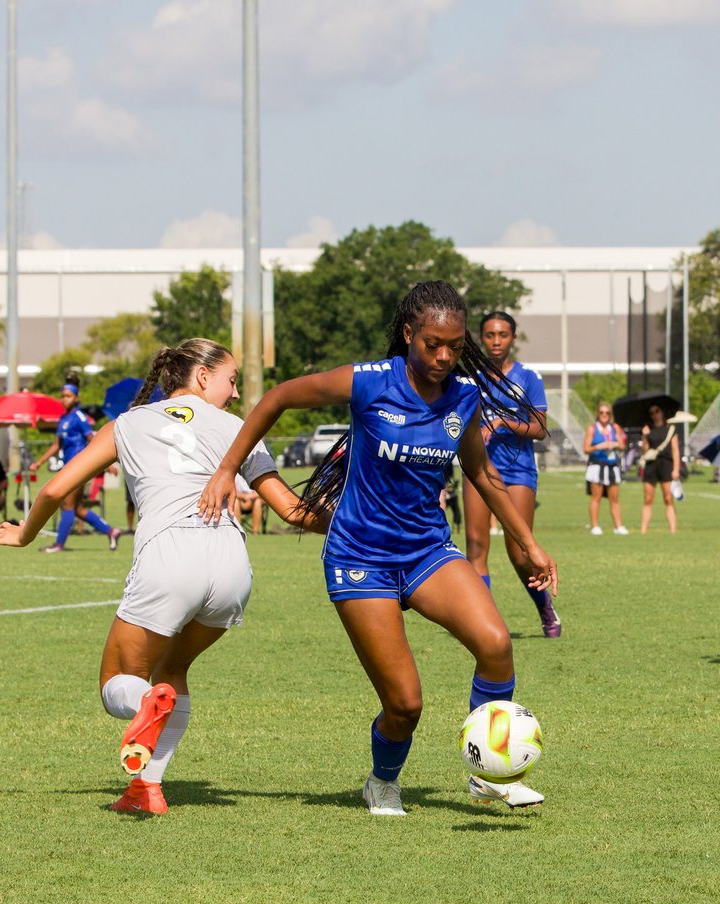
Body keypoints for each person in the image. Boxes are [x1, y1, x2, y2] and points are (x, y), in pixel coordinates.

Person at [199, 281, 558, 816]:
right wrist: (228, 469)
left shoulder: (463, 395)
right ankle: (382, 781)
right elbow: (276, 398)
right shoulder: (369, 382)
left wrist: (528, 543)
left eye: (455, 346)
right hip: (360, 558)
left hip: (427, 551)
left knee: (496, 643)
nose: (444, 356)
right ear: (409, 333)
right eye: (433, 343)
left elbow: (481, 472)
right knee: (405, 704)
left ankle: (489, 775)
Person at [0, 339, 324, 815]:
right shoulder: (238, 428)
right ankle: (147, 789)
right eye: (230, 380)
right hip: (231, 564)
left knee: (118, 682)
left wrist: (24, 534)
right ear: (202, 377)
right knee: (174, 670)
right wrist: (373, 512)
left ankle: (145, 702)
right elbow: (294, 511)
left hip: (170, 556)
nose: (233, 393)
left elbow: (57, 487)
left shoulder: (128, 423)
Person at [460, 311, 558, 638]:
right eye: (490, 335)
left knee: (519, 553)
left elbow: (541, 429)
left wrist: (504, 423)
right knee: (475, 545)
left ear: (513, 338)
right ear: (482, 338)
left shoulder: (529, 377)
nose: (496, 341)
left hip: (518, 471)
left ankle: (545, 609)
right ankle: (485, 624)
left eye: (503, 334)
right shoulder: (470, 377)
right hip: (478, 469)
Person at [29, 382, 122, 553]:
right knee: (77, 509)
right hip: (68, 467)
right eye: (63, 396)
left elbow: (92, 439)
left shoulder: (79, 417)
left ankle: (58, 545)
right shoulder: (63, 419)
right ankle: (111, 531)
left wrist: (106, 464)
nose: (64, 399)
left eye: (68, 396)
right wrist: (39, 462)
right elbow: (57, 445)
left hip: (79, 467)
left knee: (67, 505)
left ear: (76, 398)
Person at [583, 402, 629, 536]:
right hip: (597, 465)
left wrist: (614, 444)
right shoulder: (592, 428)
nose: (604, 415)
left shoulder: (615, 428)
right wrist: (599, 446)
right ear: (598, 414)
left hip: (612, 466)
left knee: (614, 498)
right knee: (596, 497)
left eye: (607, 413)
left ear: (610, 415)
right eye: (602, 412)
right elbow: (586, 449)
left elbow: (622, 446)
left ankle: (618, 526)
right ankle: (595, 526)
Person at [639, 404, 681, 534]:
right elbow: (644, 450)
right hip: (651, 464)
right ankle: (643, 531)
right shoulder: (647, 429)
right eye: (651, 412)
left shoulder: (671, 429)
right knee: (648, 499)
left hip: (666, 464)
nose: (654, 414)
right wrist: (645, 436)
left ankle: (673, 530)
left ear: (662, 412)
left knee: (668, 498)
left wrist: (676, 469)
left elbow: (675, 450)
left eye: (657, 411)